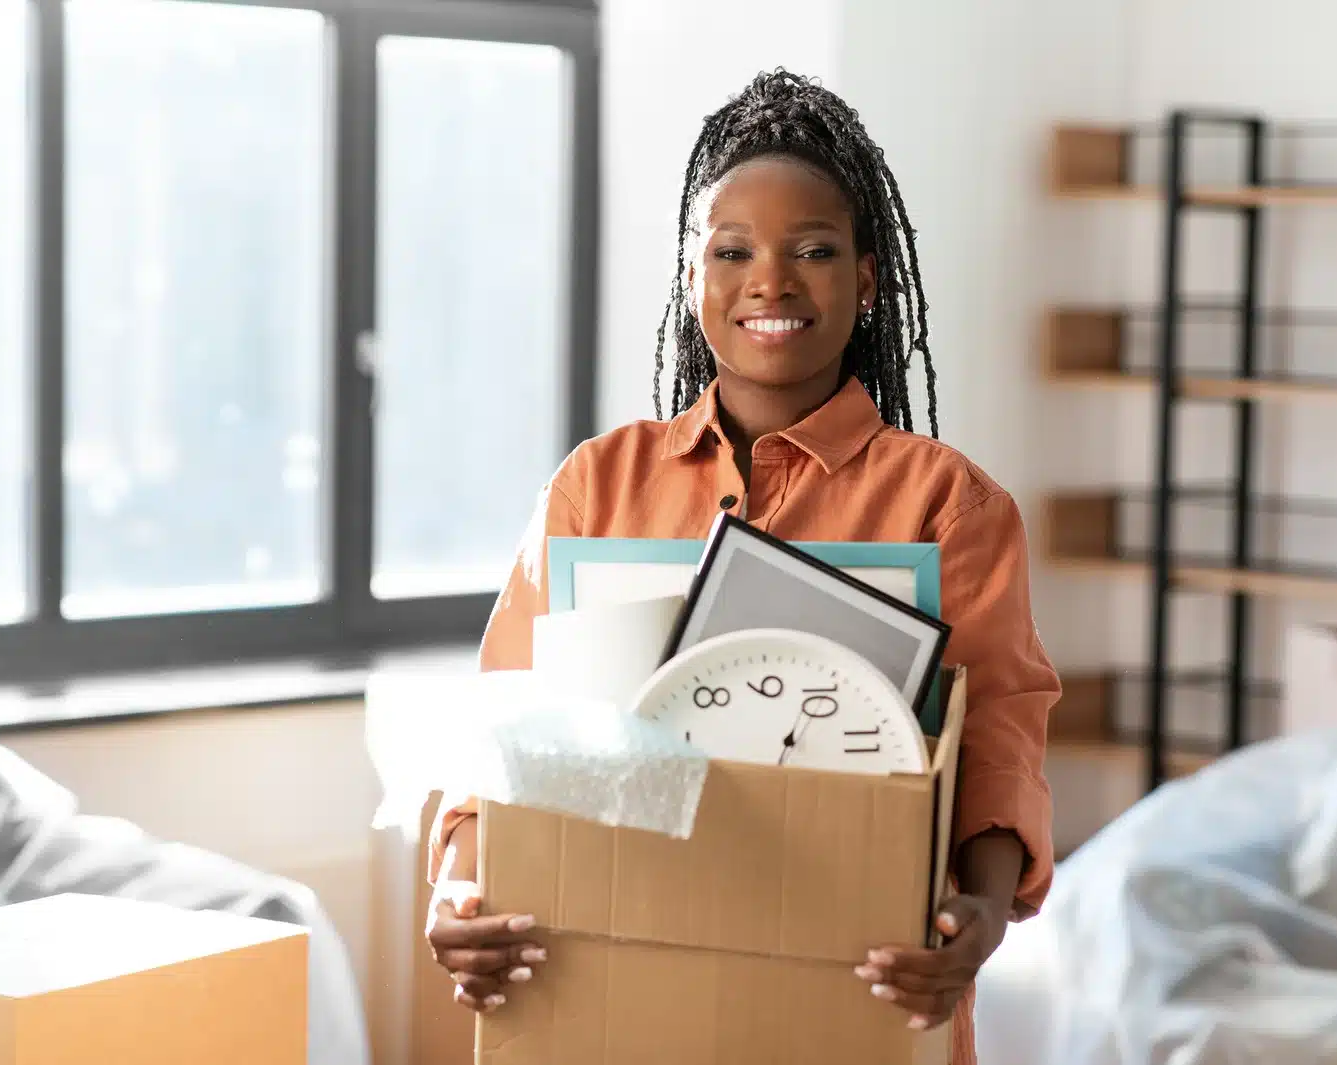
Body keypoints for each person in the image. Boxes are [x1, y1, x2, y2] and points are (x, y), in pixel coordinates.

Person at [424, 69, 1059, 1063]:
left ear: (868, 278)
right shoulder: (598, 482)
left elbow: (997, 739)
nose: (771, 281)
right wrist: (459, 884)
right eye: (732, 252)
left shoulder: (948, 503)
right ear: (691, 280)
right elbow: (510, 721)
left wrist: (977, 914)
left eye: (813, 250)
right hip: (610, 985)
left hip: (857, 980)